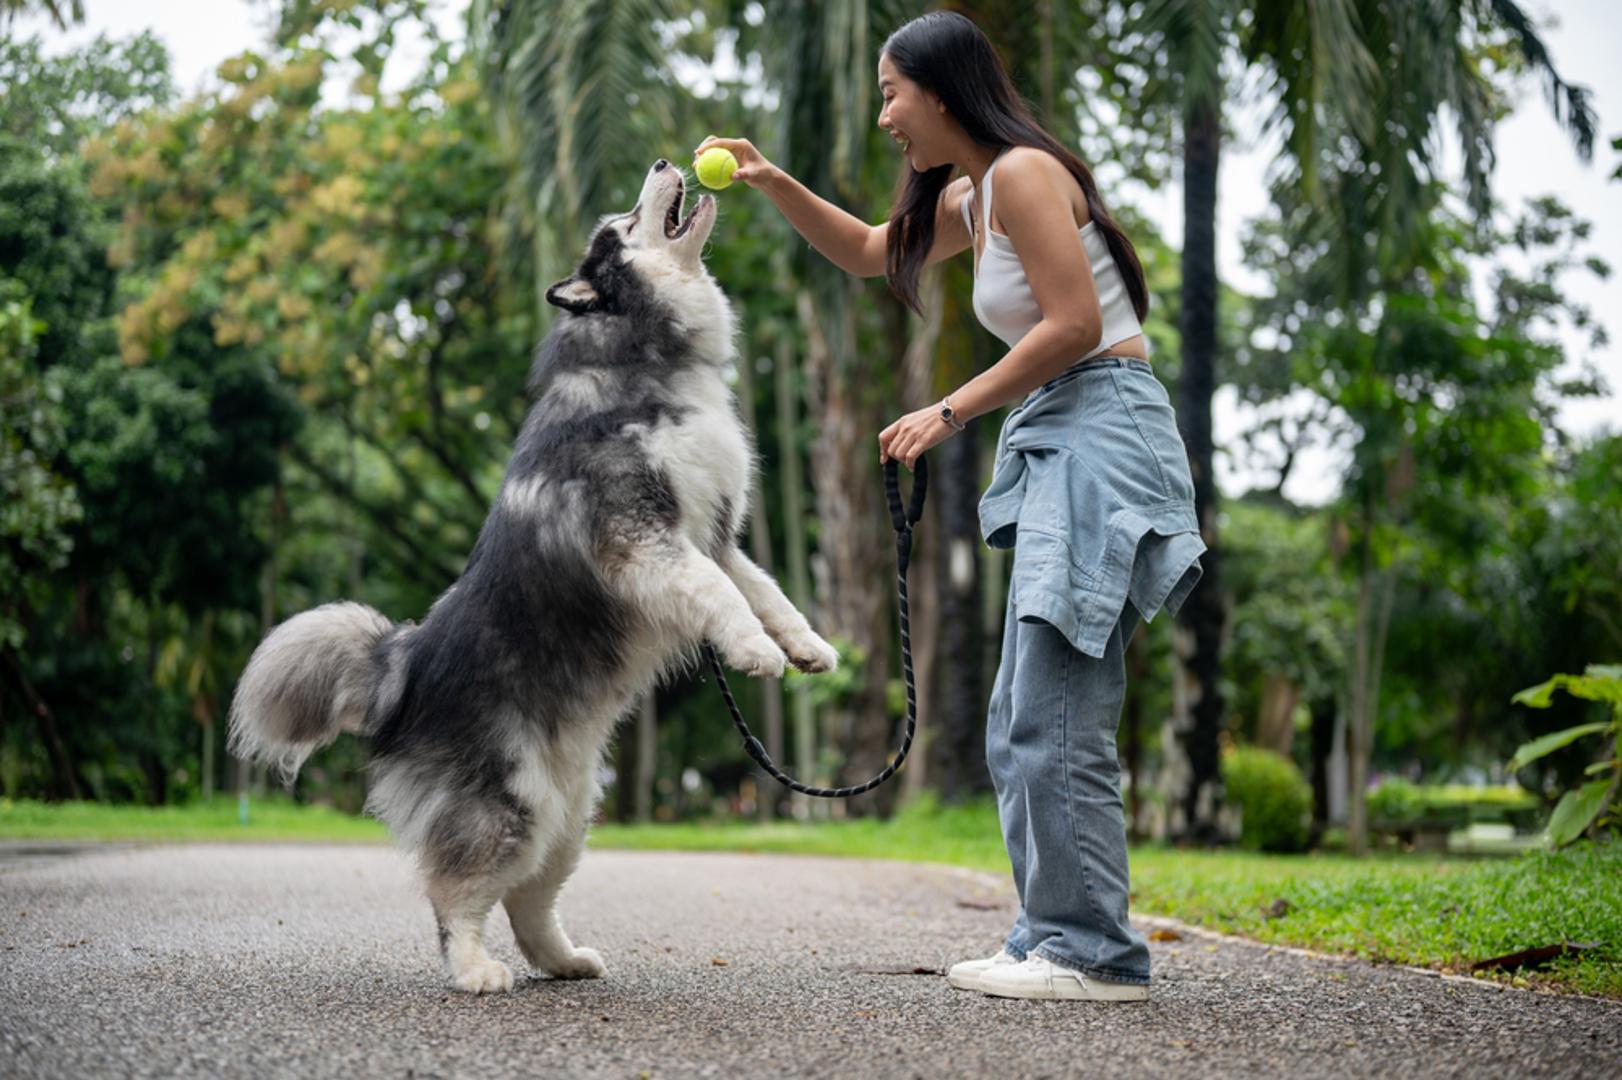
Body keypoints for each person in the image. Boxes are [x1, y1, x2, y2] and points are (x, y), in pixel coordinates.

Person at [694, 10, 1204, 1003]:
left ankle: (1092, 955)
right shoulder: (979, 193)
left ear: (939, 87)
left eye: (891, 92)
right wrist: (769, 178)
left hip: (1100, 426)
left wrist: (947, 407)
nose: (885, 116)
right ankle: (1046, 936)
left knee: (1053, 710)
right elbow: (866, 249)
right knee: (1021, 712)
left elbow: (1075, 324)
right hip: (1067, 430)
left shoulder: (1018, 173)